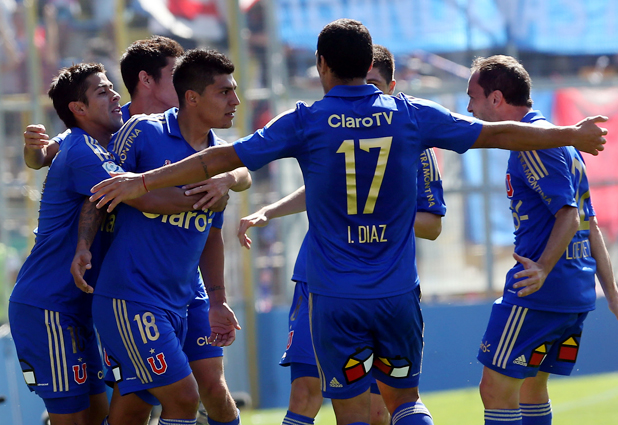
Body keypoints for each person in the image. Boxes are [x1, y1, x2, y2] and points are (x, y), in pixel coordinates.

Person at [88, 19, 608, 425]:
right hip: (397, 292)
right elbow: (497, 135)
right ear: (368, 65)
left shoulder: (306, 120)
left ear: (323, 65)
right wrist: (571, 134)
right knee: (405, 400)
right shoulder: (409, 113)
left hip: (334, 297)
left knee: (352, 409)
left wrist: (141, 182)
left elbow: (223, 159)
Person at [23, 36, 248, 425]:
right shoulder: (117, 132)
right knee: (168, 398)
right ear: (148, 80)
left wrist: (227, 179)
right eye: (176, 73)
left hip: (165, 291)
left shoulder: (204, 145)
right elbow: (107, 189)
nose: (234, 101)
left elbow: (240, 166)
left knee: (166, 397)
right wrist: (206, 194)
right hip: (76, 297)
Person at [228, 44, 445, 425]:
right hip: (320, 280)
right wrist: (270, 210)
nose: (362, 90)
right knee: (304, 392)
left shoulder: (412, 142)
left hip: (379, 283)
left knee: (377, 408)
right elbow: (323, 189)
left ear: (391, 87)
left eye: (373, 83)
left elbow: (432, 225)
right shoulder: (329, 126)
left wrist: (383, 213)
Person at [88, 48, 242, 425]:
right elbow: (101, 190)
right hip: (132, 296)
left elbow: (211, 235)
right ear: (192, 97)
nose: (235, 101)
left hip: (186, 297)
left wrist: (218, 301)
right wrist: (80, 246)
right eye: (224, 92)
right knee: (184, 397)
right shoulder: (143, 131)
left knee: (208, 393)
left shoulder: (221, 157)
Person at [466, 55, 618, 425]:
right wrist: (612, 295)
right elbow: (591, 224)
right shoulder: (562, 140)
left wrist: (542, 269)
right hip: (573, 290)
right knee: (531, 389)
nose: (469, 107)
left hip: (540, 293)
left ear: (496, 98)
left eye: (473, 97)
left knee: (495, 391)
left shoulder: (533, 142)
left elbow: (569, 214)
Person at [9, 63, 120, 425]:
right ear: (78, 108)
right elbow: (141, 195)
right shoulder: (84, 151)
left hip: (73, 306)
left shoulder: (81, 140)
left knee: (97, 415)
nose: (115, 95)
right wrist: (206, 184)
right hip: (49, 306)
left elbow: (42, 156)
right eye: (103, 91)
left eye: (112, 88)